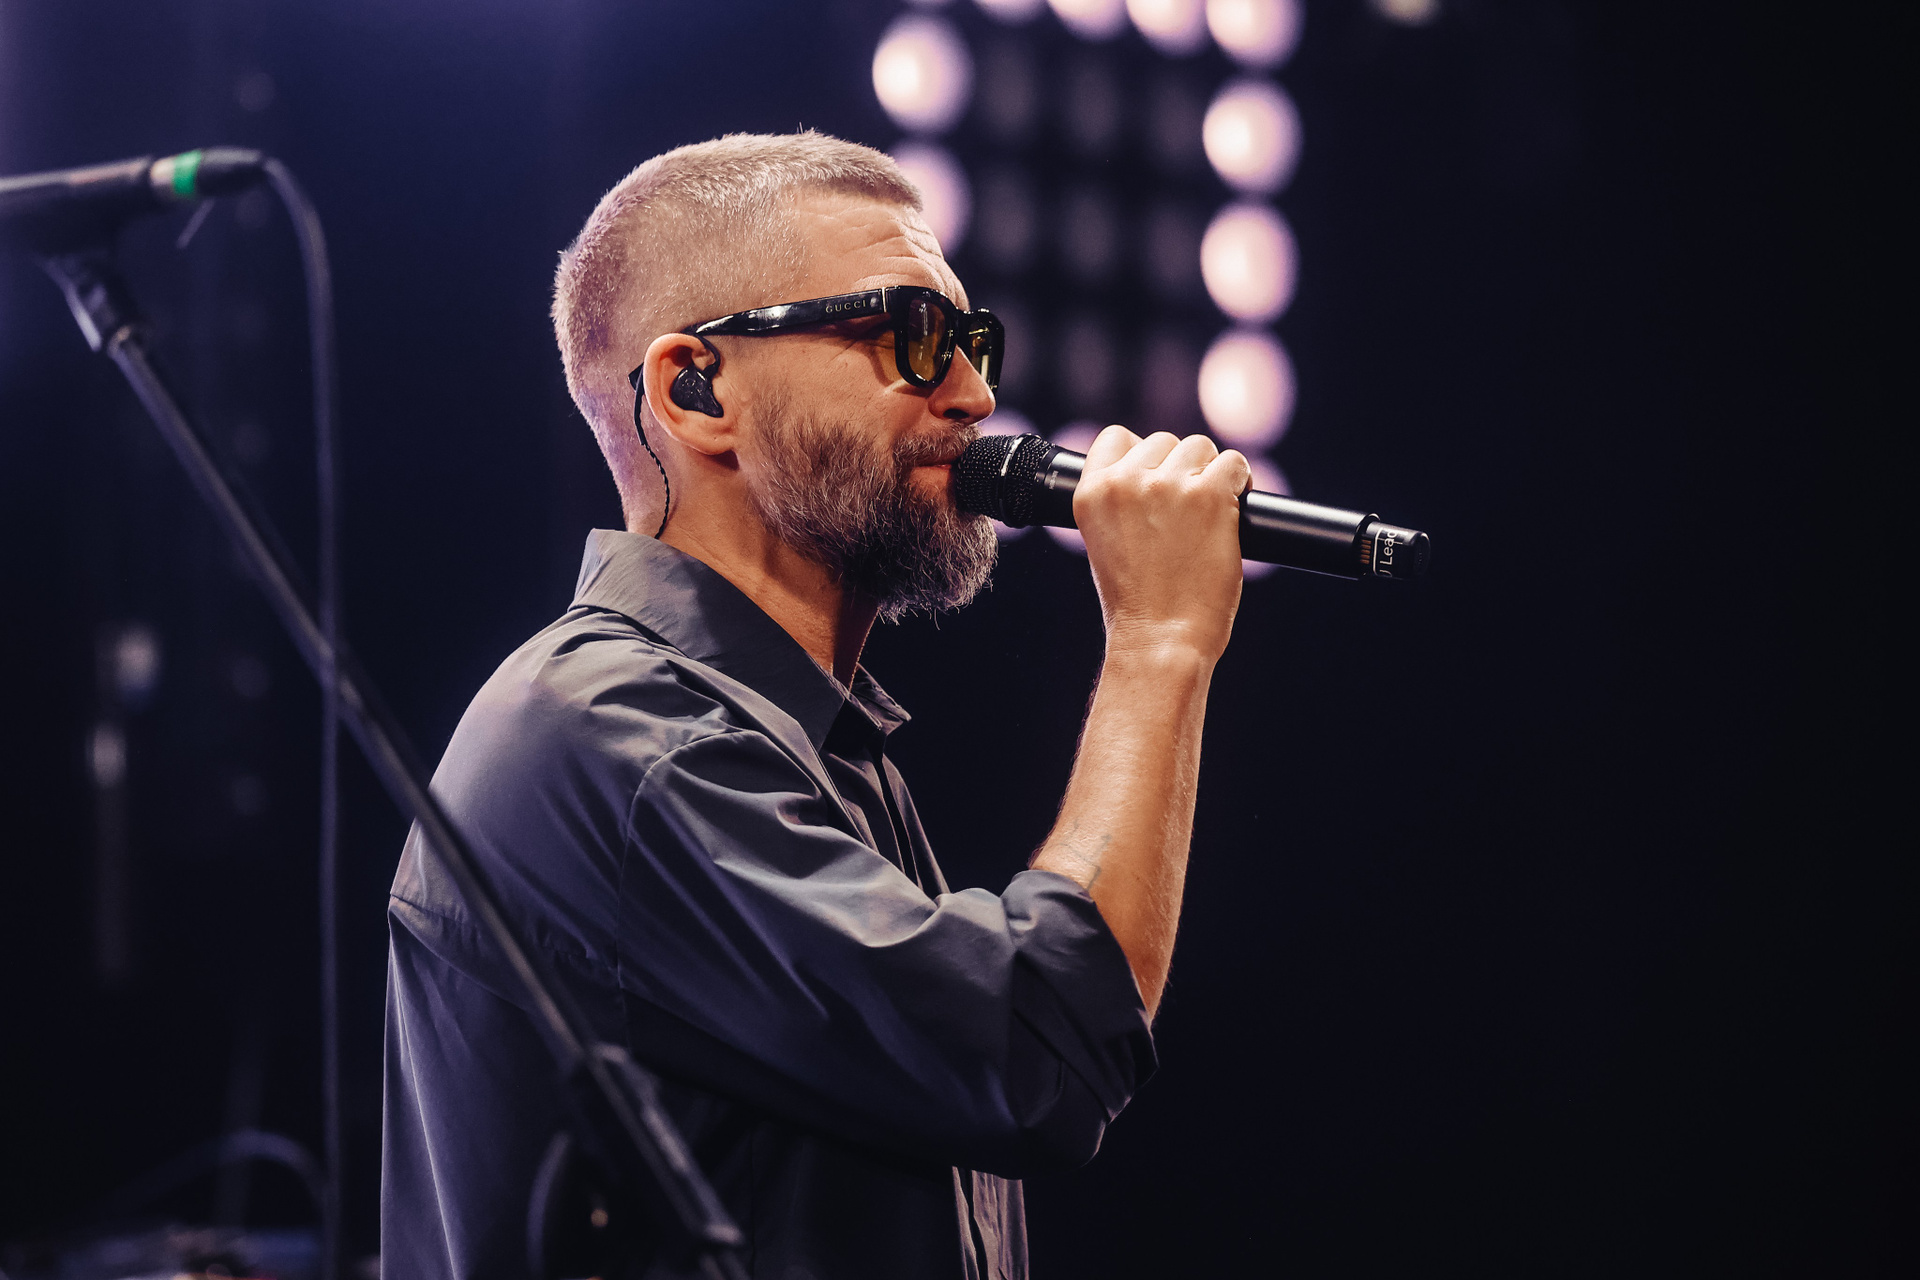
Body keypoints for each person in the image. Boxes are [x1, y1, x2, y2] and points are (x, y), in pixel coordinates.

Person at [382, 131, 1252, 1280]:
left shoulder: (797, 742)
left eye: (974, 342)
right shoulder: (619, 737)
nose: (977, 395)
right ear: (696, 388)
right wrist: (1158, 642)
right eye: (912, 336)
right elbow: (1032, 1052)